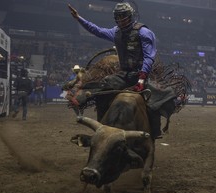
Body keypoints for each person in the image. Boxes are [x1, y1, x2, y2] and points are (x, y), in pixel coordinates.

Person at [68, 2, 162, 138]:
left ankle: (155, 131)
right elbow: (97, 30)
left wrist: (141, 78)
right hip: (123, 74)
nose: (120, 20)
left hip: (142, 74)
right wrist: (79, 18)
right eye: (118, 17)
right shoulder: (116, 32)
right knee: (103, 88)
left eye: (123, 16)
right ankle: (102, 125)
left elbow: (149, 57)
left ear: (131, 16)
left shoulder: (144, 32)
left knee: (154, 101)